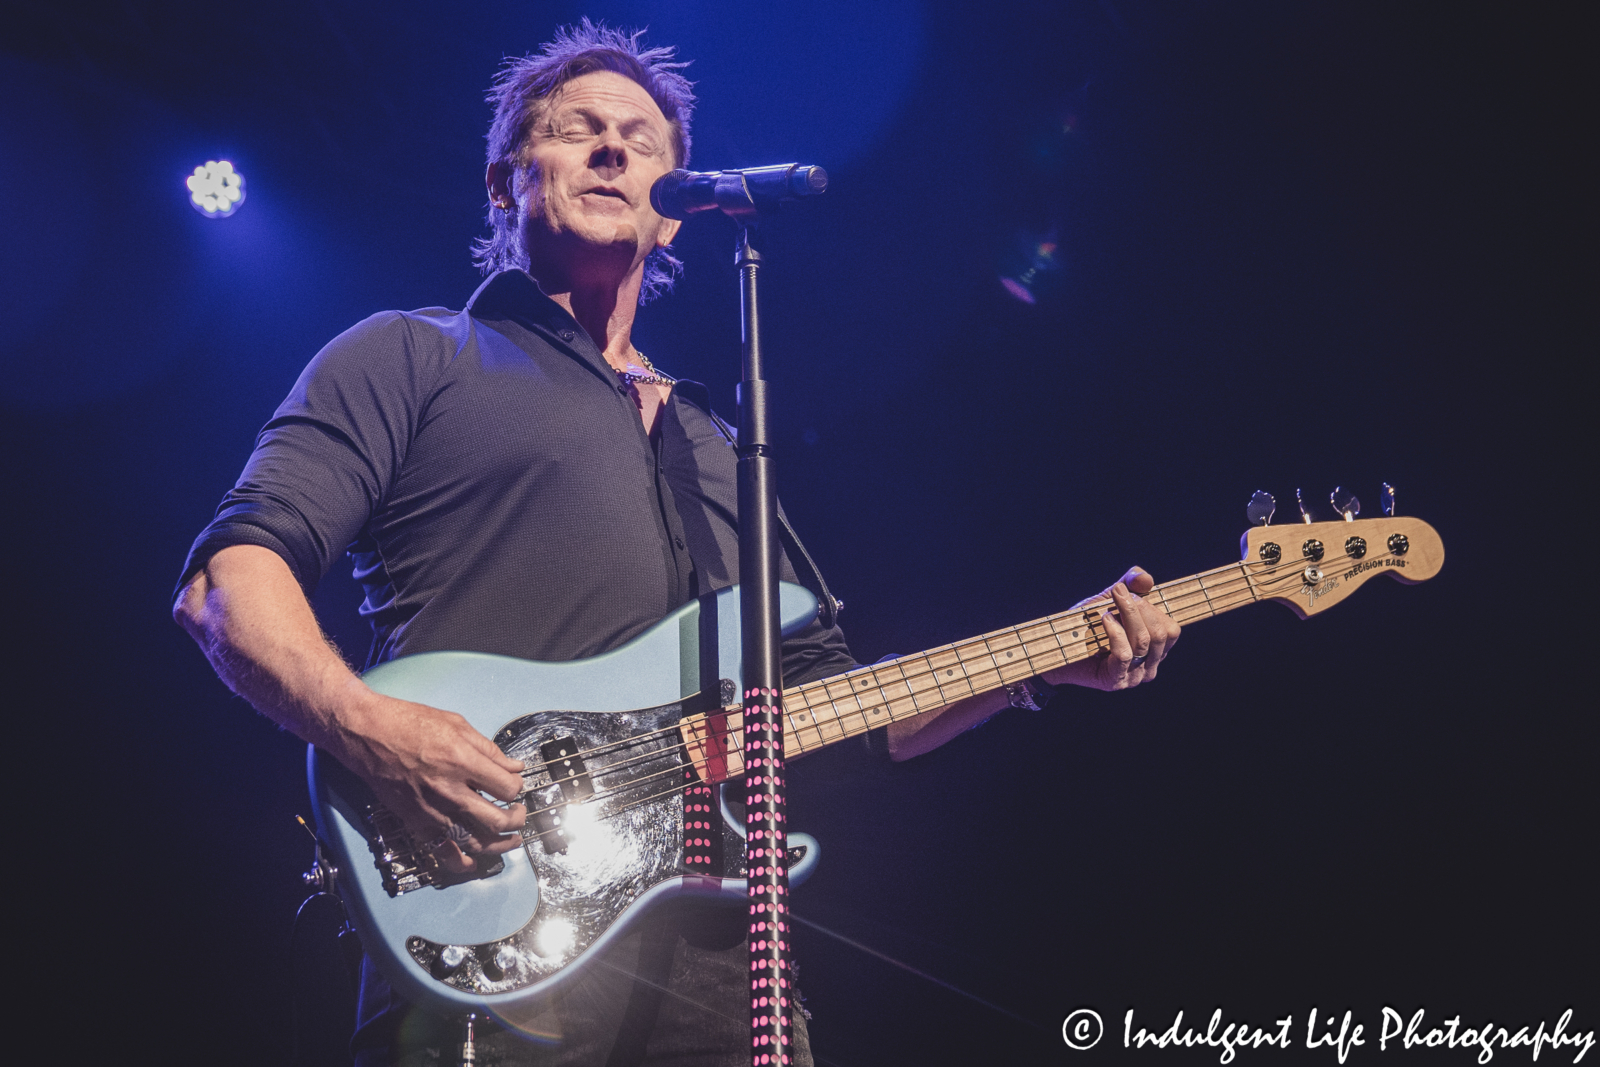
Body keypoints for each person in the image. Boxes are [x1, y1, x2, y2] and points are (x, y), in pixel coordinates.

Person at [172, 21, 1179, 1067]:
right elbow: (227, 582)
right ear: (503, 179)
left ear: (676, 214)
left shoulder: (720, 447)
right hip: (487, 925)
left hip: (725, 972)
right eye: (576, 130)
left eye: (642, 138)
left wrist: (1047, 659)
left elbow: (841, 712)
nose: (613, 149)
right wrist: (372, 729)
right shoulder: (412, 355)